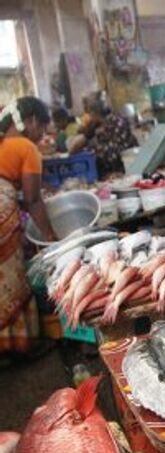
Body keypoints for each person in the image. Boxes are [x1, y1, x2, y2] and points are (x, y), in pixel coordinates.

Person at [0, 97, 56, 353]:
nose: (42, 135)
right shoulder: (26, 147)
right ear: (31, 120)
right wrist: (51, 237)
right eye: (42, 128)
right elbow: (33, 199)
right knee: (11, 279)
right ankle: (18, 347)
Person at [70, 96, 138, 178]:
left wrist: (85, 148)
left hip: (125, 167)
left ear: (95, 113)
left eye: (90, 114)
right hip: (116, 165)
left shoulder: (113, 123)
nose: (90, 117)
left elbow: (110, 153)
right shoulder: (100, 125)